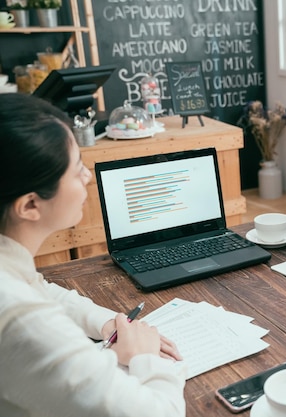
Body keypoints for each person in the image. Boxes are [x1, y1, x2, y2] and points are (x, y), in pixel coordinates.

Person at [0, 93, 186, 416]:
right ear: (30, 205)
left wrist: (106, 324)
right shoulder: (23, 321)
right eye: (77, 169)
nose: (88, 176)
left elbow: (40, 289)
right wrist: (145, 357)